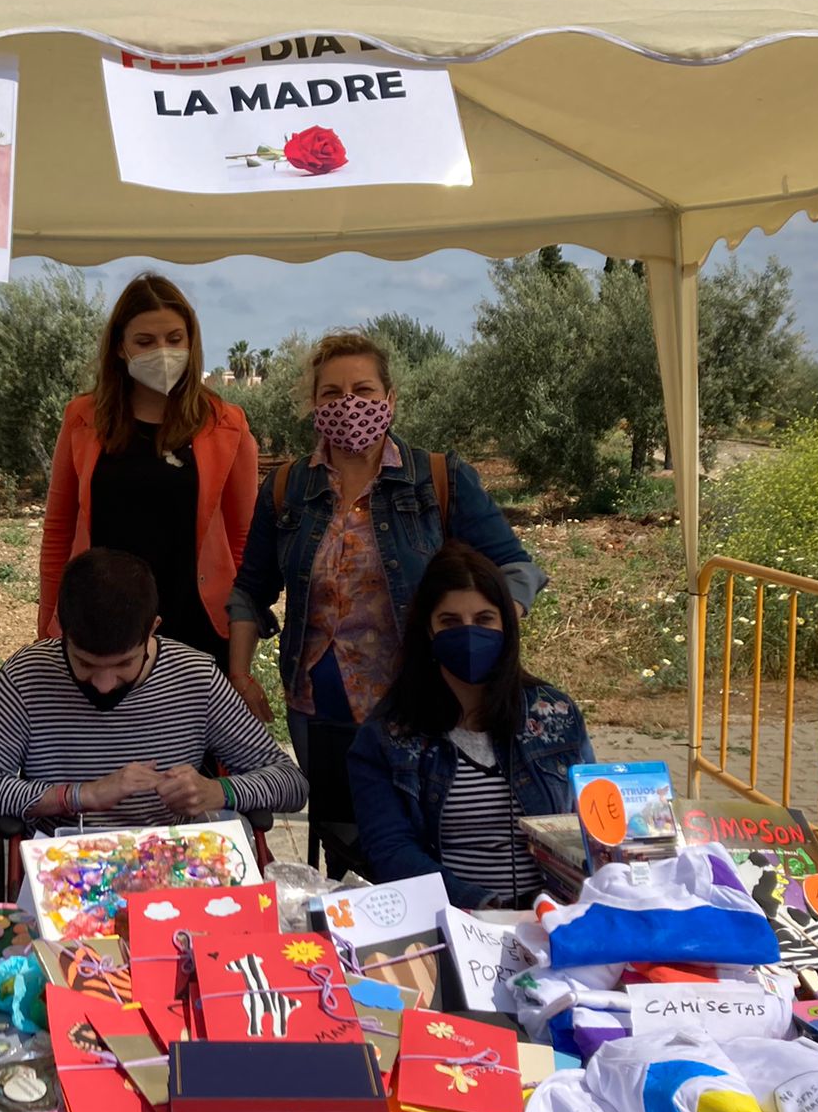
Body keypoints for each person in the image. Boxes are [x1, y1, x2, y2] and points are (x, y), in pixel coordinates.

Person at [226, 329, 546, 867]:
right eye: (332, 393)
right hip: (318, 708)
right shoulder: (287, 490)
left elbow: (514, 569)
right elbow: (251, 590)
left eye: (364, 389)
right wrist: (239, 674)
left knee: (420, 838)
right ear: (313, 405)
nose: (349, 405)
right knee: (344, 843)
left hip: (421, 701)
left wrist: (479, 638)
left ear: (390, 400)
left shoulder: (438, 480)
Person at [0, 548, 307, 830]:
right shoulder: (26, 676)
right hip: (59, 865)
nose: (104, 686)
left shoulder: (195, 677)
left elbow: (290, 784)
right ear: (61, 628)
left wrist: (219, 791)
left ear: (154, 628)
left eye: (123, 665)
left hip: (173, 867)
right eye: (86, 664)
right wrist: (79, 796)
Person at [349, 543, 592, 909]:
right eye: (450, 622)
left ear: (506, 625)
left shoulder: (556, 714)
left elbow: (594, 822)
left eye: (483, 620)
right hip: (458, 918)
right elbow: (392, 851)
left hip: (560, 915)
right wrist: (483, 906)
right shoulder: (387, 737)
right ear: (429, 631)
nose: (468, 633)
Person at [39, 272, 259, 667]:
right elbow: (58, 532)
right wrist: (48, 633)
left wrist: (241, 648)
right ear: (121, 348)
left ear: (191, 342)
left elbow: (243, 541)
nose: (162, 351)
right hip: (98, 633)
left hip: (199, 630)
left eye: (174, 339)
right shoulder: (84, 419)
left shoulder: (226, 424)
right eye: (145, 341)